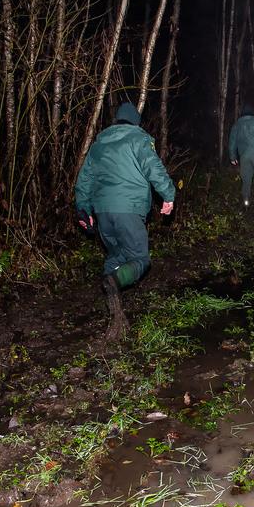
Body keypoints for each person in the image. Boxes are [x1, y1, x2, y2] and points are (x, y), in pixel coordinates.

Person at [74, 102, 175, 340]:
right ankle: (115, 280)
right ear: (135, 122)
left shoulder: (99, 145)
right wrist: (168, 194)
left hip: (102, 212)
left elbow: (84, 179)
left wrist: (83, 209)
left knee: (117, 255)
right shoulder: (138, 139)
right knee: (140, 258)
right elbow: (153, 168)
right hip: (128, 209)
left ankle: (115, 315)